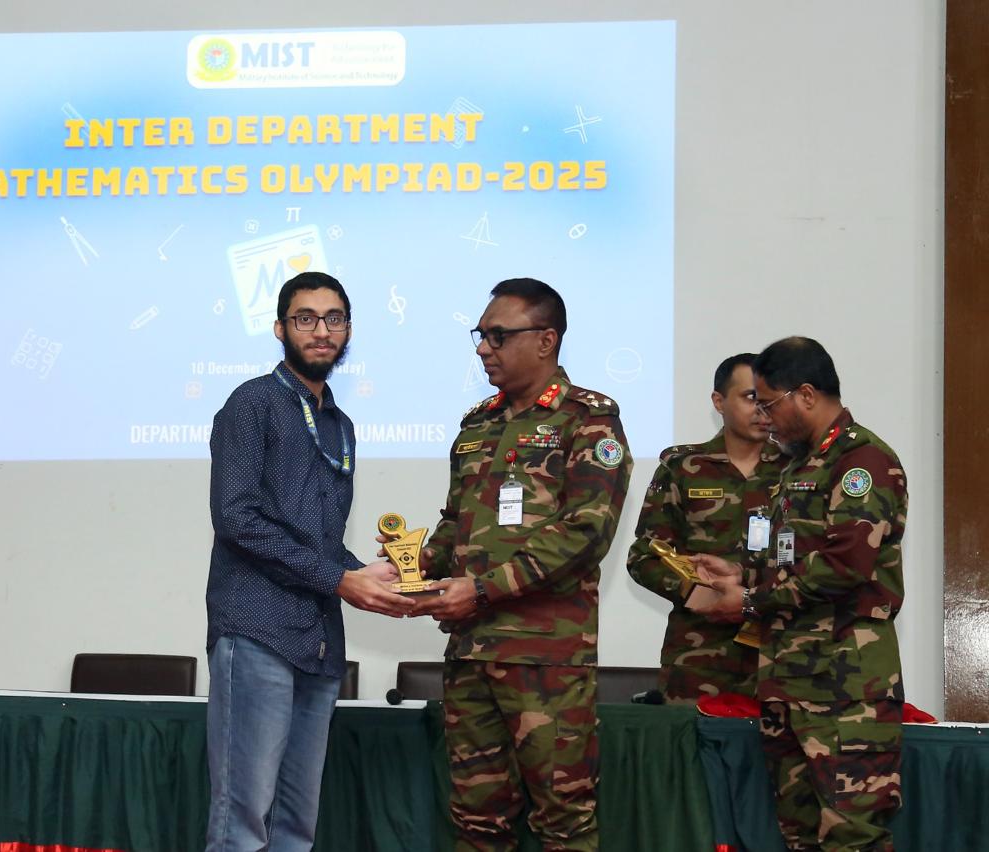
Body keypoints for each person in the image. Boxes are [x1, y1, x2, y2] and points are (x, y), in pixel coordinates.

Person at [411, 278, 632, 851]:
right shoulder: (477, 424)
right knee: (476, 822)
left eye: (498, 336)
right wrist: (411, 568)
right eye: (480, 336)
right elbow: (457, 523)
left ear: (545, 340)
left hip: (545, 659)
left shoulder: (589, 420)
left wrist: (482, 590)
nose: (484, 348)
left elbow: (585, 532)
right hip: (471, 652)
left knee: (563, 822)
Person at [204, 271, 415, 851]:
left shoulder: (340, 425)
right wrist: (340, 579)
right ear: (280, 328)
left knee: (297, 828)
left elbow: (321, 540)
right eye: (306, 318)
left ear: (348, 330)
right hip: (257, 631)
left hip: (319, 642)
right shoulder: (251, 403)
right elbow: (237, 519)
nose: (321, 331)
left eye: (334, 319)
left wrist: (372, 576)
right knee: (242, 822)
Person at [692, 336, 906, 851]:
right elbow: (791, 558)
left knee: (852, 836)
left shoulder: (862, 461)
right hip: (787, 681)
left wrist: (749, 602)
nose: (764, 418)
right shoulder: (797, 466)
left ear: (806, 394)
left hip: (844, 685)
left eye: (770, 404)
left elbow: (843, 565)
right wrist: (739, 572)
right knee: (798, 836)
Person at [625, 353, 785, 703]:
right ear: (718, 401)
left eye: (768, 398)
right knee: (691, 739)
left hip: (782, 656)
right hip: (698, 659)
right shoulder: (683, 467)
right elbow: (644, 558)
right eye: (750, 397)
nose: (762, 409)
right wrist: (700, 596)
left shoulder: (798, 470)